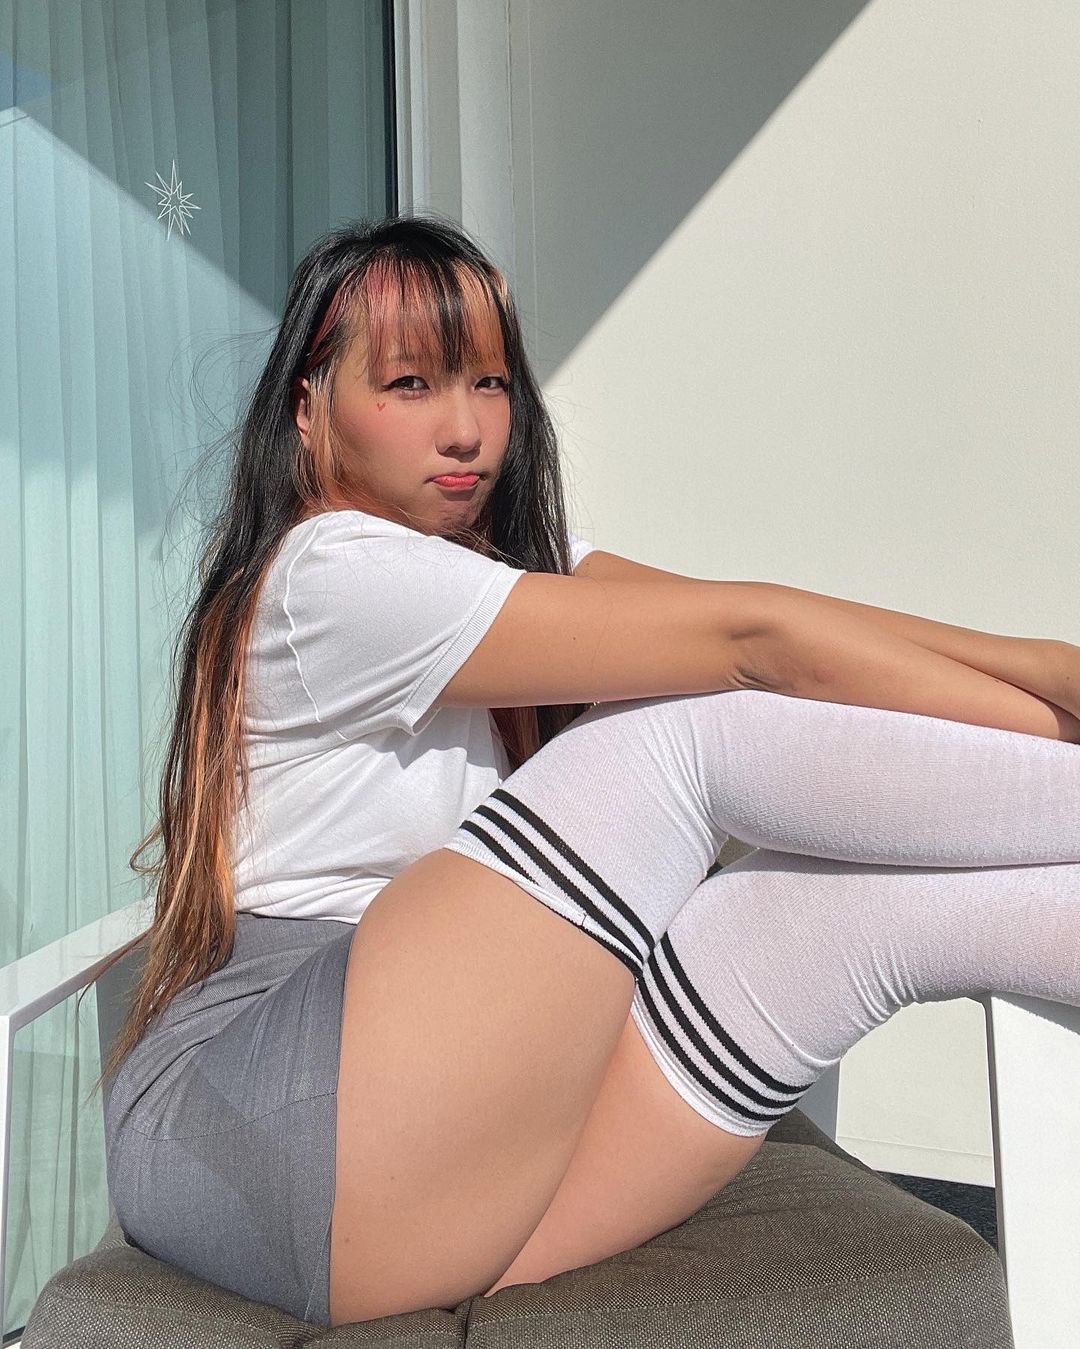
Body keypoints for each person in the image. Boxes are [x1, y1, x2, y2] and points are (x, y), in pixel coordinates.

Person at [90, 213, 1080, 1330]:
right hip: (259, 1122)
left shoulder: (496, 575)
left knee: (824, 921)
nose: (467, 429)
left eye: (490, 381)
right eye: (410, 384)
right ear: (309, 412)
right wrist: (1050, 689)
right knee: (679, 730)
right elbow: (755, 648)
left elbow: (786, 627)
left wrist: (1041, 667)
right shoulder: (333, 572)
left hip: (420, 1172)